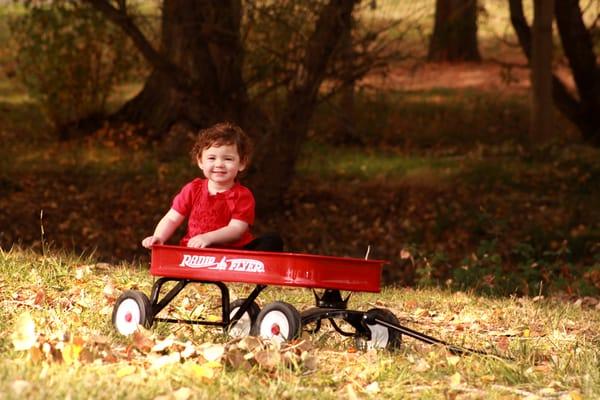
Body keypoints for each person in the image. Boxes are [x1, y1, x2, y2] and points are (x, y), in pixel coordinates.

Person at [142, 122, 283, 252]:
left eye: (228, 159)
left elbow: (236, 229)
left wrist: (207, 238)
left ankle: (251, 270)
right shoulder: (193, 189)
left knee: (272, 240)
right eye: (211, 158)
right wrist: (158, 237)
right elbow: (172, 218)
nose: (219, 164)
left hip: (234, 255)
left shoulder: (242, 195)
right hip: (197, 252)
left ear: (241, 163)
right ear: (200, 161)